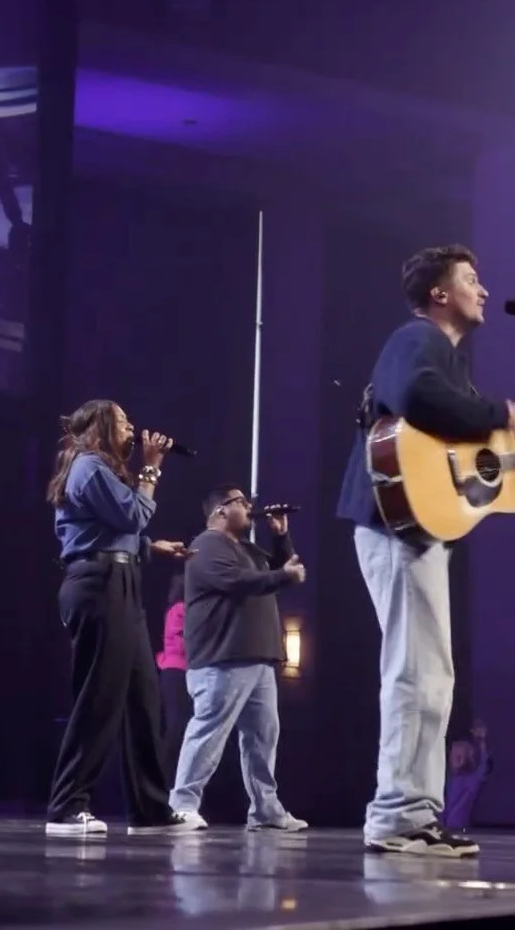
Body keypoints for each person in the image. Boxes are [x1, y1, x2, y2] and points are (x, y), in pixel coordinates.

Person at [337, 245, 515, 858]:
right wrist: (502, 413)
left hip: (414, 529)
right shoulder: (417, 340)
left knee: (431, 675)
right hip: (398, 526)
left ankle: (415, 813)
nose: (484, 290)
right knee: (417, 673)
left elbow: (468, 462)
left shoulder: (446, 357)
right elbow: (416, 395)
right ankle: (398, 816)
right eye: (472, 279)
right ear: (439, 294)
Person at [45, 398, 201, 837]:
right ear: (99, 427)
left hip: (119, 581)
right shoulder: (88, 466)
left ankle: (150, 810)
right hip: (98, 586)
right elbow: (132, 514)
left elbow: (110, 529)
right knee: (99, 697)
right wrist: (151, 469)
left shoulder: (101, 470)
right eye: (122, 421)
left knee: (142, 701)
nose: (132, 427)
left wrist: (150, 547)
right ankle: (66, 807)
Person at [169, 485, 308, 831]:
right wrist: (283, 576)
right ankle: (182, 805)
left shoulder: (246, 547)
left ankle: (265, 810)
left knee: (263, 737)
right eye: (241, 502)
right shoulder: (205, 545)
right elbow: (238, 581)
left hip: (257, 657)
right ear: (220, 510)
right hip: (223, 657)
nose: (249, 507)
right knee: (209, 732)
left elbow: (277, 571)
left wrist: (281, 537)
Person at [156, 573, 190, 782]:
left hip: (176, 672)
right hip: (176, 673)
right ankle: (164, 778)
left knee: (179, 727)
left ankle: (171, 778)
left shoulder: (177, 609)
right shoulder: (181, 609)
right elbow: (185, 643)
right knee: (176, 727)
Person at [442, 720, 493, 832]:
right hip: (444, 827)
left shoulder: (469, 781)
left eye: (459, 757)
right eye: (453, 756)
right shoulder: (448, 779)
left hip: (459, 828)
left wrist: (482, 742)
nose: (454, 759)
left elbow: (483, 767)